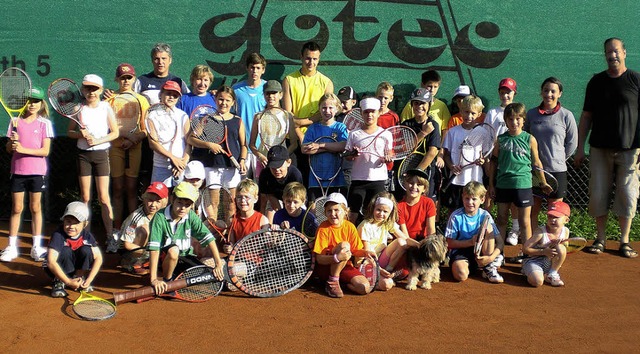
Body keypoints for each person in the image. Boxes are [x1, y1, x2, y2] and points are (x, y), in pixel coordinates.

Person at [574, 37, 639, 258]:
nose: (612, 55)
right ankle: (600, 239)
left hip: (630, 150)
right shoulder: (596, 82)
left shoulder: (635, 80)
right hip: (599, 149)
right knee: (598, 194)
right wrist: (580, 148)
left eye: (616, 51)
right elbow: (586, 116)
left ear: (624, 52)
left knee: (627, 194)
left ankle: (624, 241)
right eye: (608, 52)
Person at [489, 103, 552, 261]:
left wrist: (543, 182)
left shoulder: (529, 139)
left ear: (523, 120)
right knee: (502, 219)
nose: (514, 122)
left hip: (523, 184)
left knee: (525, 221)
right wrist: (491, 184)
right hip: (503, 184)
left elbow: (537, 162)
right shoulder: (501, 140)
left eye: (518, 119)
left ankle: (527, 255)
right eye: (510, 119)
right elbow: (494, 162)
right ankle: (499, 254)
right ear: (506, 120)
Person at [1, 87, 53, 262]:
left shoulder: (44, 123)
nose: (32, 104)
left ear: (41, 104)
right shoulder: (15, 121)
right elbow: (9, 148)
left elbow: (45, 151)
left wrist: (23, 149)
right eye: (29, 100)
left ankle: (37, 247)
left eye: (36, 101)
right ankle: (11, 247)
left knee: (36, 208)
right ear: (24, 102)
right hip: (18, 171)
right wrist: (12, 144)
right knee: (16, 208)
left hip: (37, 172)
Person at [67, 74, 119, 249]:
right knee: (86, 198)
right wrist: (80, 134)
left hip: (101, 154)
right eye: (88, 88)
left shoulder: (106, 107)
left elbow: (115, 133)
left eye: (95, 89)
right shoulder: (78, 108)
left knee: (104, 198)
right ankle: (85, 236)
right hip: (83, 155)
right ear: (83, 90)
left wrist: (98, 140)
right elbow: (70, 133)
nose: (91, 92)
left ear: (101, 90)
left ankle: (110, 236)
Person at [147, 182, 225, 295]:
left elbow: (209, 238)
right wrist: (153, 279)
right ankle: (168, 281)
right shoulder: (159, 217)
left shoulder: (191, 215)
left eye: (187, 205)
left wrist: (218, 264)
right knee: (174, 251)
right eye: (179, 202)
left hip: (186, 258)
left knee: (210, 277)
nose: (183, 208)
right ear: (172, 199)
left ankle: (180, 277)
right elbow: (154, 250)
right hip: (166, 260)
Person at [524, 77, 578, 228]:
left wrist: (559, 159)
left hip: (557, 171)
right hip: (534, 171)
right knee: (532, 210)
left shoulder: (567, 115)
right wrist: (534, 161)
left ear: (559, 93)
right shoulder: (532, 114)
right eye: (546, 90)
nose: (549, 94)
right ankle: (533, 242)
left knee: (555, 213)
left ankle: (552, 244)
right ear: (541, 92)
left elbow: (572, 143)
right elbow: (525, 138)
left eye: (553, 91)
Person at [282, 41, 334, 183]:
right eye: (308, 58)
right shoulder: (289, 80)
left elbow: (325, 113)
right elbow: (288, 113)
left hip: (317, 140)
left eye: (315, 59)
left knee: (314, 185)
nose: (311, 62)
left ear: (319, 59)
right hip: (293, 139)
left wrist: (302, 123)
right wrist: (299, 133)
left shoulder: (326, 82)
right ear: (301, 57)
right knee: (294, 184)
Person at [108, 63, 150, 232]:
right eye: (122, 77)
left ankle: (130, 229)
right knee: (117, 188)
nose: (125, 81)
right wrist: (121, 136)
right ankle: (117, 229)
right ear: (116, 79)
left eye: (129, 77)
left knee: (132, 189)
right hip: (115, 148)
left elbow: (146, 129)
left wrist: (133, 139)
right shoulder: (109, 99)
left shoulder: (141, 100)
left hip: (135, 148)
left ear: (134, 79)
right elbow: (105, 127)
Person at [312, 192, 376, 298]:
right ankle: (332, 281)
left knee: (364, 287)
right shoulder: (322, 228)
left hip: (345, 266)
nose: (332, 214)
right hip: (325, 269)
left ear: (345, 211)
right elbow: (319, 259)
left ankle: (339, 283)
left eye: (336, 210)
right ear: (325, 213)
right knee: (345, 246)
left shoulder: (350, 227)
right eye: (329, 211)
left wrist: (366, 252)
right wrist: (337, 258)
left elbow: (356, 250)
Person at [485, 78, 520, 245]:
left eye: (508, 92)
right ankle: (487, 228)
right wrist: (486, 158)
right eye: (502, 92)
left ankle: (514, 229)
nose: (505, 95)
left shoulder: (519, 113)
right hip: (495, 160)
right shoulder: (493, 113)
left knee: (512, 197)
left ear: (514, 93)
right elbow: (486, 136)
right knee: (490, 195)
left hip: (512, 161)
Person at [345, 97, 392, 223]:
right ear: (361, 113)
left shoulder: (386, 134)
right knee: (352, 214)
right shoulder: (354, 134)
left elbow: (390, 152)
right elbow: (348, 155)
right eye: (366, 112)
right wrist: (352, 154)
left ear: (378, 113)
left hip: (378, 180)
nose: (369, 115)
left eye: (373, 111)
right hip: (358, 180)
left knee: (374, 214)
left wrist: (388, 157)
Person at [445, 181, 503, 283]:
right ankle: (473, 265)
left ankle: (488, 267)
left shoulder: (485, 215)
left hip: (483, 251)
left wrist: (491, 257)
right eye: (467, 198)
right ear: (462, 197)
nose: (470, 202)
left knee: (488, 227)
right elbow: (449, 243)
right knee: (461, 275)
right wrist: (470, 242)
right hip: (461, 251)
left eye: (474, 199)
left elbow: (500, 242)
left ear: (482, 199)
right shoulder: (455, 216)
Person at [45, 202, 103, 297]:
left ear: (85, 224)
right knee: (65, 251)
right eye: (68, 221)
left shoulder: (87, 235)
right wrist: (68, 281)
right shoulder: (58, 235)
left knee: (87, 250)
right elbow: (51, 262)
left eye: (76, 223)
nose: (71, 226)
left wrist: (89, 279)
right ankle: (58, 281)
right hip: (55, 269)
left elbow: (98, 258)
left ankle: (79, 278)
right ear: (63, 221)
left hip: (73, 265)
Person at [442, 95, 487, 212]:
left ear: (479, 114)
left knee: (473, 212)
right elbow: (446, 154)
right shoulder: (453, 132)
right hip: (456, 180)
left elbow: (486, 157)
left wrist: (483, 161)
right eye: (466, 112)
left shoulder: (482, 132)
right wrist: (451, 165)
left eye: (473, 113)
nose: (469, 116)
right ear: (461, 111)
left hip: (475, 180)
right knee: (453, 212)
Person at [357, 191, 410, 290]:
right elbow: (368, 255)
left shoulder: (387, 223)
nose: (381, 214)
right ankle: (381, 277)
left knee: (401, 242)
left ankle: (389, 271)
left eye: (385, 212)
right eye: (378, 210)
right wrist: (379, 270)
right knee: (387, 284)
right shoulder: (365, 225)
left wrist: (420, 246)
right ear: (373, 208)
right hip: (366, 262)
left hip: (380, 260)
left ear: (390, 213)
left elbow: (405, 239)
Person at [302, 92, 348, 201]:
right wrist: (331, 148)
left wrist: (319, 145)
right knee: (314, 212)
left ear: (337, 109)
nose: (327, 111)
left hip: (337, 181)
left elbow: (343, 146)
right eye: (324, 108)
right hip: (315, 182)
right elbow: (304, 149)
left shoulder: (340, 127)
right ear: (319, 108)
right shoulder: (313, 128)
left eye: (330, 108)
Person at [248, 80, 296, 179]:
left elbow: (294, 144)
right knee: (263, 192)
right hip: (263, 163)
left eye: (274, 93)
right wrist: (260, 156)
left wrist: (282, 157)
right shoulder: (258, 117)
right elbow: (251, 145)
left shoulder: (288, 116)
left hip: (281, 165)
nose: (270, 96)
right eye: (267, 93)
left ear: (281, 95)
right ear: (264, 95)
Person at [117, 182, 168, 274]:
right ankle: (135, 263)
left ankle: (152, 261)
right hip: (130, 251)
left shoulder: (164, 215)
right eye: (150, 200)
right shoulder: (136, 218)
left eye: (158, 201)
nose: (153, 204)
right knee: (145, 229)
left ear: (164, 202)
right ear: (144, 198)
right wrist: (149, 252)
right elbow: (127, 245)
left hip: (151, 249)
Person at [400, 88, 442, 199]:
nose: (419, 106)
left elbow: (433, 152)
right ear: (412, 105)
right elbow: (405, 149)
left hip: (427, 175)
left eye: (423, 103)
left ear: (429, 105)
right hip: (406, 174)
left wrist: (417, 172)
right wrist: (423, 133)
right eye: (416, 103)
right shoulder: (406, 124)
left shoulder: (434, 125)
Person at [147, 81, 191, 185]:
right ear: (161, 94)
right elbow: (153, 143)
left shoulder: (183, 115)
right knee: (159, 199)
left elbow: (189, 143)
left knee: (180, 199)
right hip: (160, 166)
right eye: (168, 93)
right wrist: (173, 158)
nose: (171, 97)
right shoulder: (152, 115)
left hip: (180, 166)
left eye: (175, 95)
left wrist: (183, 163)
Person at [233, 53, 268, 177]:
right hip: (242, 149)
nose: (255, 71)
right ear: (247, 68)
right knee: (243, 189)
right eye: (252, 67)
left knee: (262, 188)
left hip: (263, 150)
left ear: (263, 70)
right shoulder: (236, 90)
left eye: (258, 68)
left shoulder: (268, 89)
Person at [522, 201, 572, 287]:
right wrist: (544, 251)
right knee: (537, 282)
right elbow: (525, 249)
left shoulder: (565, 231)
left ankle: (552, 273)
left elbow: (565, 249)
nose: (552, 220)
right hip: (534, 261)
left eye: (556, 217)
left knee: (561, 248)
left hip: (550, 263)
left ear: (566, 220)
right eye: (550, 216)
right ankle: (528, 271)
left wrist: (558, 245)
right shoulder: (540, 232)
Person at [258, 146, 304, 222]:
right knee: (270, 213)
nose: (277, 170)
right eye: (273, 167)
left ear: (288, 162)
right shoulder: (265, 174)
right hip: (274, 197)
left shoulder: (295, 174)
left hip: (293, 199)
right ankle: (269, 232)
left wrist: (287, 209)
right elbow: (265, 199)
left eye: (279, 166)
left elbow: (298, 197)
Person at [397, 169, 436, 240]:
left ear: (424, 189)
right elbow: (405, 237)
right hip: (406, 242)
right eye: (411, 183)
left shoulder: (429, 203)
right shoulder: (399, 206)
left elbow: (431, 231)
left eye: (419, 184)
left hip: (424, 241)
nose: (414, 187)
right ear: (405, 184)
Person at [228, 179, 269, 244]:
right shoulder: (232, 220)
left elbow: (268, 243)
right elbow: (231, 243)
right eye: (239, 197)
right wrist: (229, 248)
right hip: (238, 254)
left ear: (255, 199)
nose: (242, 200)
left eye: (247, 197)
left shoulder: (262, 220)